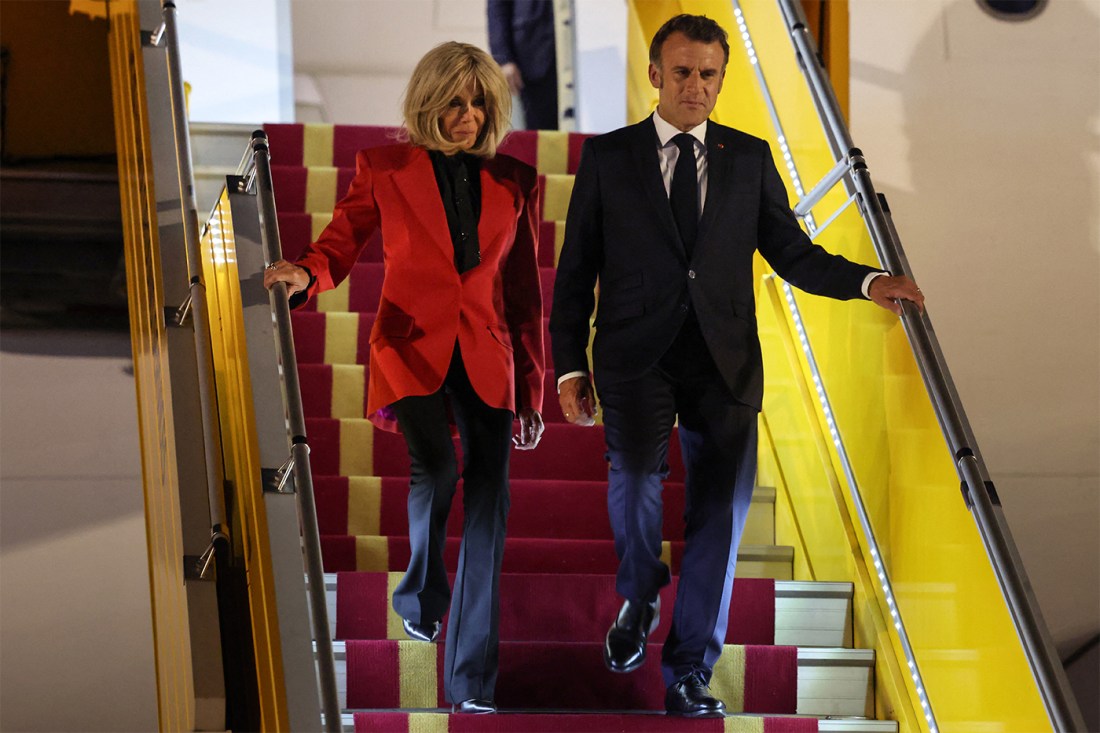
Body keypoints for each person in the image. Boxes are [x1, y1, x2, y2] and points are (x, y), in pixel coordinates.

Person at [549, 14, 924, 718]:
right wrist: (570, 366)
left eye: (708, 74)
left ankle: (690, 671)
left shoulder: (748, 158)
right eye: (682, 71)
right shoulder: (609, 157)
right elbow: (575, 274)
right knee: (635, 479)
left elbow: (793, 251)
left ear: (721, 79)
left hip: (724, 360)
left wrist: (869, 280)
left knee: (720, 515)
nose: (695, 85)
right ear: (656, 74)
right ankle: (639, 592)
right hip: (634, 355)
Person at [264, 41, 545, 714]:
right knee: (436, 469)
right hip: (409, 346)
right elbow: (341, 239)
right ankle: (420, 595)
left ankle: (472, 683)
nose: (468, 115)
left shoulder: (515, 180)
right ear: (428, 103)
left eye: (479, 103)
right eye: (454, 102)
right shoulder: (383, 168)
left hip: (487, 354)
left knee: (491, 504)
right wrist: (305, 274)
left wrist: (532, 387)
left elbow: (523, 292)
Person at [487, 0, 558, 130]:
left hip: (584, 54)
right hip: (533, 57)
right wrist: (503, 58)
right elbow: (498, 7)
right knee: (540, 133)